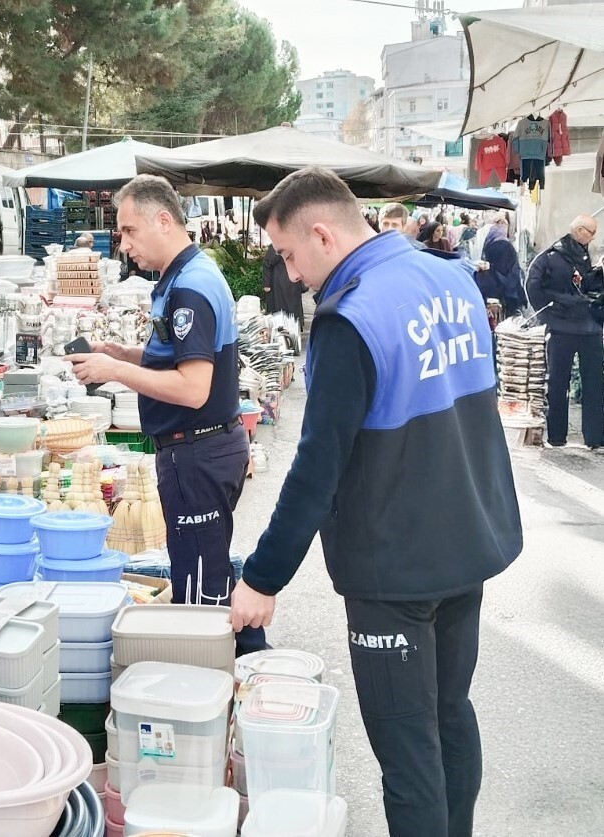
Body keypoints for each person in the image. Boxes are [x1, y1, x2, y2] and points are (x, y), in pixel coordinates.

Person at [229, 166, 522, 837]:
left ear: (322, 233)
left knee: (407, 746)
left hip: (394, 564)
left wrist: (262, 576)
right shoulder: (450, 278)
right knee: (450, 713)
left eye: (288, 254)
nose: (293, 274)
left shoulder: (349, 316)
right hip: (467, 539)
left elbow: (316, 466)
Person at [67, 174, 267, 654]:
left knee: (200, 590)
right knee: (207, 567)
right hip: (203, 449)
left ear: (163, 220)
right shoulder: (184, 275)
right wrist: (123, 352)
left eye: (131, 231)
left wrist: (113, 368)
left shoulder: (190, 288)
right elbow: (180, 359)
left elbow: (192, 388)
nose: (125, 244)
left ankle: (230, 677)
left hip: (196, 451)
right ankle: (246, 666)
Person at [525, 214, 604, 449]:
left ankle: (581, 437)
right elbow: (533, 286)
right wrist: (548, 314)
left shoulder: (580, 255)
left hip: (584, 328)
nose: (593, 236)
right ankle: (572, 437)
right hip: (567, 328)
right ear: (579, 231)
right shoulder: (552, 256)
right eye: (591, 232)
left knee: (577, 384)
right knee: (564, 383)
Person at [262, 244, 305, 327]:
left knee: (287, 308)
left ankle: (289, 328)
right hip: (283, 280)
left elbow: (267, 262)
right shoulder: (282, 243)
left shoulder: (283, 242)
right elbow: (268, 262)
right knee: (285, 307)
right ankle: (287, 328)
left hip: (288, 281)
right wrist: (266, 283)